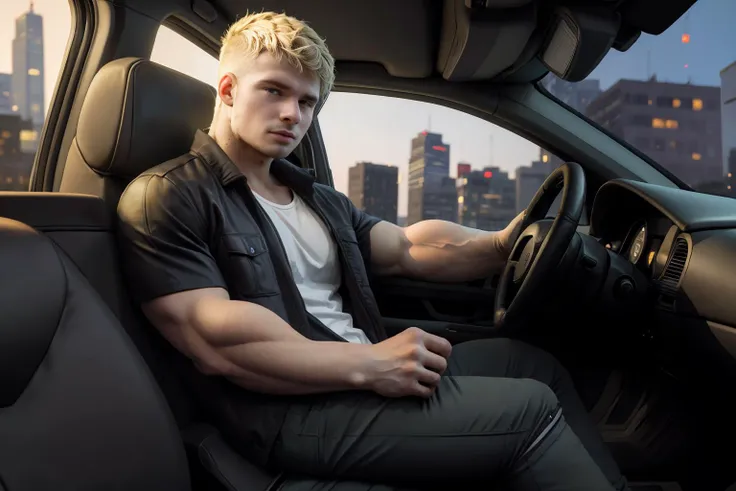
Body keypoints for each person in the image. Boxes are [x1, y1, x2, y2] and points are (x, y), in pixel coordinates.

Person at [116, 11, 629, 491]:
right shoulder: (168, 195)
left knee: (533, 366)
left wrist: (499, 246)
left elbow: (407, 246)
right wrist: (369, 364)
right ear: (228, 89)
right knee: (530, 410)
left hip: (353, 378)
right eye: (273, 91)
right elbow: (218, 341)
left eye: (307, 101)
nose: (292, 114)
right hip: (285, 414)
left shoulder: (315, 198)